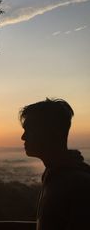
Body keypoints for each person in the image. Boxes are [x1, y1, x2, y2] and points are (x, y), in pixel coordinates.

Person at [19, 98, 90, 230]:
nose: (23, 137)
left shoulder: (79, 185)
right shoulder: (55, 175)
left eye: (29, 130)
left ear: (50, 132)